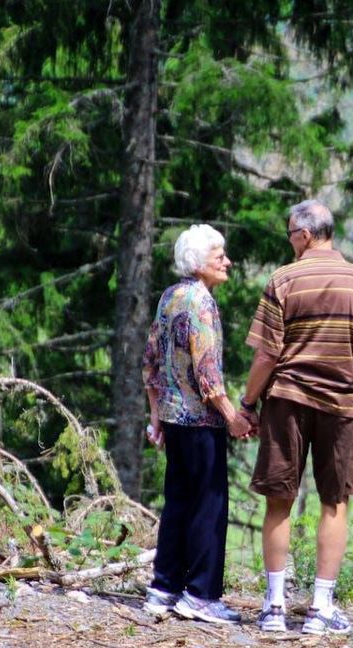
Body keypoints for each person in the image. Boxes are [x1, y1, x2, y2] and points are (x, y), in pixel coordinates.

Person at [238, 199, 353, 634]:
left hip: (286, 401)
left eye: (290, 235)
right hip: (343, 406)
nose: (290, 242)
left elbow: (268, 354)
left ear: (305, 235)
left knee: (279, 501)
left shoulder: (283, 279)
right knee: (335, 503)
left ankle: (273, 608)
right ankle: (321, 609)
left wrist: (248, 405)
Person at [140, 224, 251, 625]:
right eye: (219, 255)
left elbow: (150, 362)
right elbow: (208, 374)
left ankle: (164, 587)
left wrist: (156, 419)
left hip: (173, 418)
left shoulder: (169, 297)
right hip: (201, 421)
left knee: (179, 503)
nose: (227, 261)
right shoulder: (201, 303)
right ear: (199, 262)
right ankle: (201, 594)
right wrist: (233, 417)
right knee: (209, 505)